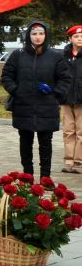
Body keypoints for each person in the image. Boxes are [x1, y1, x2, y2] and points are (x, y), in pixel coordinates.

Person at [1, 21, 70, 179]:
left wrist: (55, 93)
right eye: (34, 34)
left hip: (47, 107)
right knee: (25, 143)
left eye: (41, 33)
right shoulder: (18, 55)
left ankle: (45, 178)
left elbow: (65, 78)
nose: (38, 37)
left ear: (46, 35)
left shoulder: (55, 56)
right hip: (23, 107)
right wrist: (16, 90)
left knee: (46, 144)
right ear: (28, 36)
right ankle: (27, 176)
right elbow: (6, 76)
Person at [59, 24, 82, 174]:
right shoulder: (63, 56)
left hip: (81, 99)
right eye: (76, 36)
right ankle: (68, 160)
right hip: (66, 98)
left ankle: (79, 162)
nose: (80, 39)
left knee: (81, 131)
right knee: (68, 130)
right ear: (70, 38)